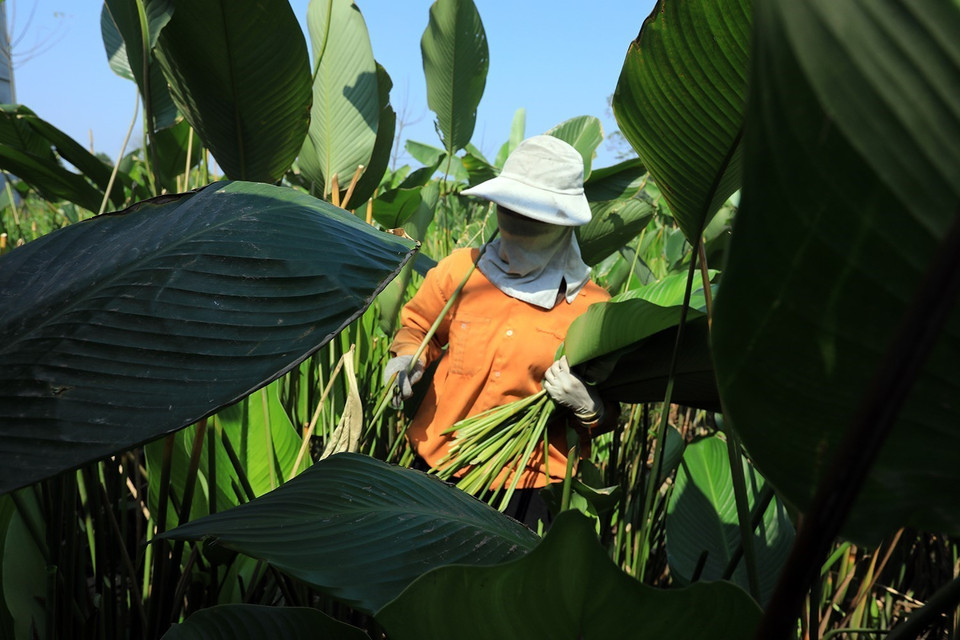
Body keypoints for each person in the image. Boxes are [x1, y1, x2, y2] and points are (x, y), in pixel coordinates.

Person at [384, 135, 617, 528]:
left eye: (534, 219)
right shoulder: (461, 272)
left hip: (528, 484)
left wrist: (589, 408)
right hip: (437, 462)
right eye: (510, 211)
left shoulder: (592, 307)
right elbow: (419, 326)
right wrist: (407, 358)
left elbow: (611, 408)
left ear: (563, 225)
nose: (518, 226)